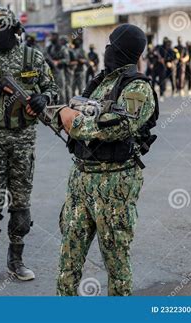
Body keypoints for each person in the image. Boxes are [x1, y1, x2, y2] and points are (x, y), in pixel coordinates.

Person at [55, 23, 158, 296]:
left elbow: (117, 126)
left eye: (110, 44)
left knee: (116, 265)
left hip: (115, 185)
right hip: (80, 181)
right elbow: (70, 117)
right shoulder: (102, 82)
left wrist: (72, 121)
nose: (107, 50)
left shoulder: (138, 88)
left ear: (121, 48)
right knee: (68, 260)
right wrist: (48, 109)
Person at [0, 7, 58, 285]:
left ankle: (16, 261)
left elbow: (52, 89)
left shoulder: (33, 57)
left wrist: (43, 99)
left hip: (23, 139)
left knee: (20, 204)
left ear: (10, 29)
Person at [46, 32, 69, 103]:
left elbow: (67, 60)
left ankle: (62, 106)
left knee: (60, 90)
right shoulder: (49, 47)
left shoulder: (62, 48)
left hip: (59, 71)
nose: (51, 38)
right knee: (51, 89)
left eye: (52, 36)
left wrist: (57, 62)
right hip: (50, 71)